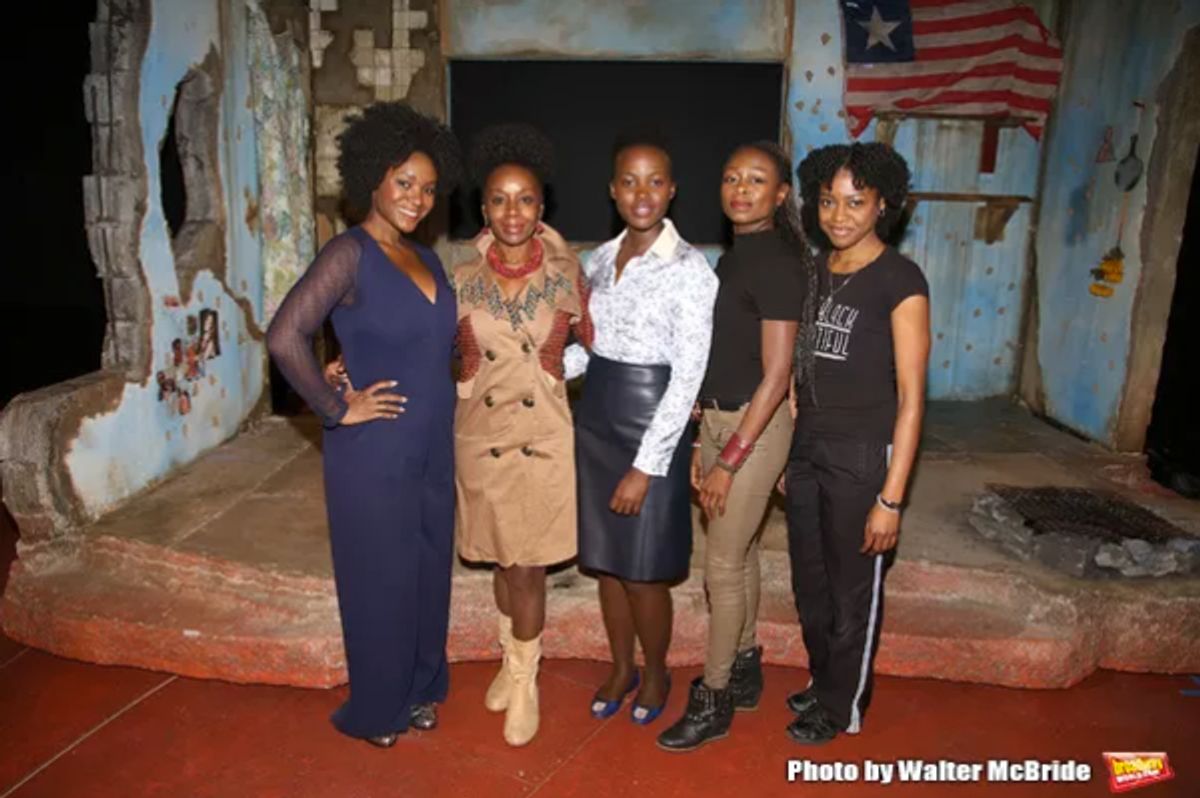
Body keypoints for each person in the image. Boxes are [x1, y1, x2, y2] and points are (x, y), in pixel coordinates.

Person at [266, 101, 462, 748]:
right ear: (372, 177)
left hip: (433, 444)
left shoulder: (427, 259)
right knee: (382, 577)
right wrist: (335, 404)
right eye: (404, 182)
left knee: (428, 570)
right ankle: (380, 707)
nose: (417, 198)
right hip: (373, 447)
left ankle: (420, 688)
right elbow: (285, 335)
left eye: (428, 188)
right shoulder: (348, 253)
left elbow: (429, 344)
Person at [658, 142, 811, 752]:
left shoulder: (777, 262)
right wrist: (704, 436)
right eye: (731, 178)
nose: (740, 189)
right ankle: (746, 669)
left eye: (756, 180)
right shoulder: (736, 257)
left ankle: (714, 697)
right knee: (739, 554)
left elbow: (775, 376)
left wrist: (729, 459)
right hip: (722, 422)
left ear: (781, 194)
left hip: (754, 428)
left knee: (719, 566)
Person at [565, 136, 718, 726]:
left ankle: (655, 672)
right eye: (629, 181)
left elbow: (688, 376)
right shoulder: (597, 262)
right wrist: (536, 369)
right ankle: (620, 667)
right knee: (607, 562)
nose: (642, 193)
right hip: (597, 421)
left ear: (672, 190)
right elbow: (588, 349)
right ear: (612, 190)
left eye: (655, 181)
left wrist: (646, 466)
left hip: (654, 424)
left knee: (644, 570)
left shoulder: (690, 270)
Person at [783, 142, 930, 745]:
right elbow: (798, 368)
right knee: (811, 582)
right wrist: (791, 445)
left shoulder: (900, 279)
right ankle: (824, 680)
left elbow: (913, 398)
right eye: (827, 201)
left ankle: (842, 703)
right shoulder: (815, 270)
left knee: (852, 590)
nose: (838, 215)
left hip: (862, 455)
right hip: (808, 448)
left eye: (855, 202)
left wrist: (891, 498)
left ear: (882, 205)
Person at [452, 124, 590, 746]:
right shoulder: (459, 277)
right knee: (500, 560)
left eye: (526, 199)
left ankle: (525, 679)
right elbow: (426, 347)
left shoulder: (567, 275)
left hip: (542, 436)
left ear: (541, 207)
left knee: (528, 567)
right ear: (484, 208)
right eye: (500, 199)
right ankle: (510, 660)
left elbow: (605, 342)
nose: (513, 211)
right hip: (481, 436)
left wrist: (562, 368)